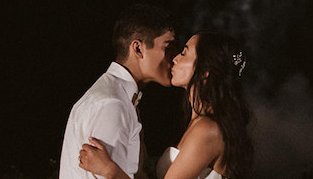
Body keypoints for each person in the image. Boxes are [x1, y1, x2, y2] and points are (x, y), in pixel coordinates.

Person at [80, 31, 252, 179]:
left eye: (184, 53)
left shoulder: (208, 129)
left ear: (205, 71)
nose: (175, 58)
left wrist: (109, 170)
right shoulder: (199, 123)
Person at [60, 4, 177, 179]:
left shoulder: (117, 96)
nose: (174, 57)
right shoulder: (112, 104)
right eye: (167, 48)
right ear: (138, 48)